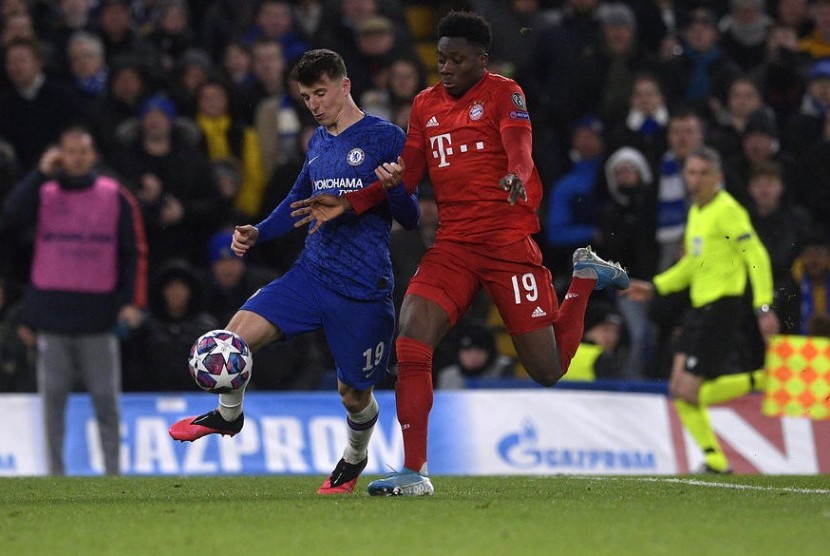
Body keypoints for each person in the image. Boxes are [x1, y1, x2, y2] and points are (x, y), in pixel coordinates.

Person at [290, 11, 630, 496]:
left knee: (548, 370)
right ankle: (415, 471)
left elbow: (520, 143)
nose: (445, 67)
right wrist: (352, 201)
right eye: (440, 57)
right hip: (453, 244)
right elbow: (405, 176)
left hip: (507, 244)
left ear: (481, 60)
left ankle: (584, 279)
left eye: (456, 59)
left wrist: (515, 172)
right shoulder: (426, 104)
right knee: (411, 337)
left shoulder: (503, 92)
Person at [167, 49, 419, 496]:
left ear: (345, 86)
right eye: (306, 97)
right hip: (312, 274)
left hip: (362, 291)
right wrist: (258, 232)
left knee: (354, 396)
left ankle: (355, 457)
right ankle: (229, 414)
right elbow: (298, 200)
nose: (314, 105)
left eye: (320, 93)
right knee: (232, 338)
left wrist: (396, 190)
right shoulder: (318, 141)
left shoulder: (385, 137)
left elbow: (411, 216)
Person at [0, 126, 148, 474]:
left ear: (93, 155)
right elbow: (8, 220)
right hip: (52, 314)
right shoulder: (45, 191)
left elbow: (134, 252)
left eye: (82, 151)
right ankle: (55, 473)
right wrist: (38, 174)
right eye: (70, 152)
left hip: (98, 314)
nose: (77, 158)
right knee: (52, 404)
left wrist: (132, 302)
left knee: (105, 401)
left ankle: (113, 473)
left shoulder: (115, 194)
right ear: (60, 156)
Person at [623, 146, 779, 474]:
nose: (695, 179)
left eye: (702, 173)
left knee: (692, 390)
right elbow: (692, 265)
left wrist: (763, 305)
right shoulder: (697, 213)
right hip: (699, 309)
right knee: (678, 389)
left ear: (718, 177)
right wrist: (656, 286)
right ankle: (715, 460)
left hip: (723, 307)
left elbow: (757, 255)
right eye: (690, 172)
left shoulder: (727, 210)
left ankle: (764, 380)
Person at [434, 320, 515, 390]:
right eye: (467, 351)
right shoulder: (447, 376)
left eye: (479, 350)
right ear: (458, 352)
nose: (473, 356)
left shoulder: (503, 369)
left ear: (490, 352)